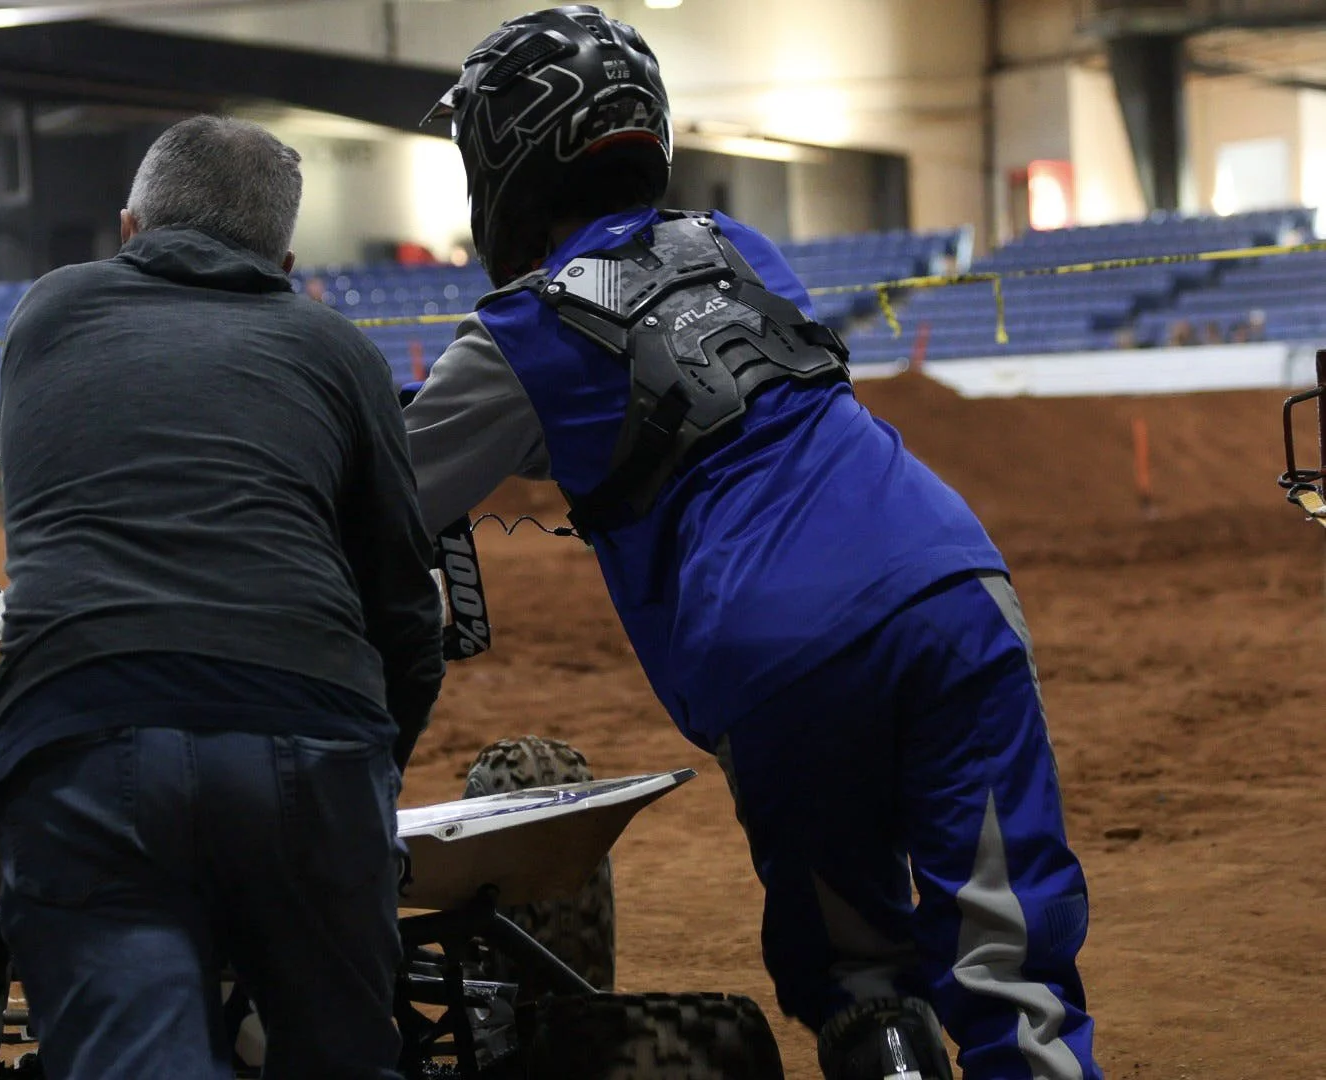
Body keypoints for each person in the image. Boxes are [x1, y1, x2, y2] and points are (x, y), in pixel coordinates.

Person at [405, 8, 1101, 1080]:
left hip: (786, 645)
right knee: (1014, 966)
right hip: (951, 578)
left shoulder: (518, 334)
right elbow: (701, 389)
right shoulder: (747, 249)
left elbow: (388, 492)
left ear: (504, 157)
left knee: (866, 978)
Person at [0, 115, 443, 1080]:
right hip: (308, 721)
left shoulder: (48, 313)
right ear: (284, 260)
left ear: (127, 229)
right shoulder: (338, 349)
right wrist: (369, 769)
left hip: (86, 720)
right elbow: (404, 605)